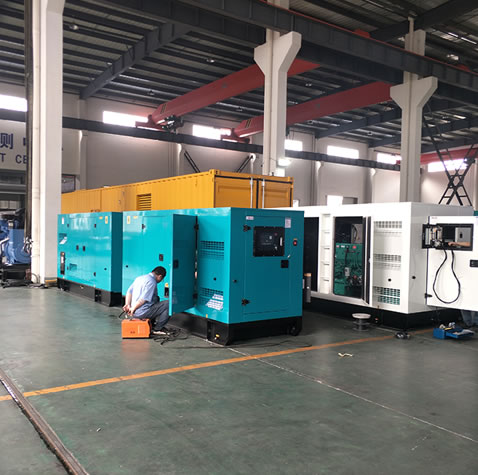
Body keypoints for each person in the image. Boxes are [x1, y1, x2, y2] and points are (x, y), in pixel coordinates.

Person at [123, 266, 170, 335]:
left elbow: (129, 292)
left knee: (156, 298)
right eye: (162, 279)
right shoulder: (152, 282)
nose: (160, 281)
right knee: (169, 303)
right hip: (142, 313)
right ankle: (158, 329)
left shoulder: (139, 278)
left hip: (135, 312)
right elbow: (143, 299)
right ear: (160, 276)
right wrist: (133, 308)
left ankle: (152, 323)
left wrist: (127, 305)